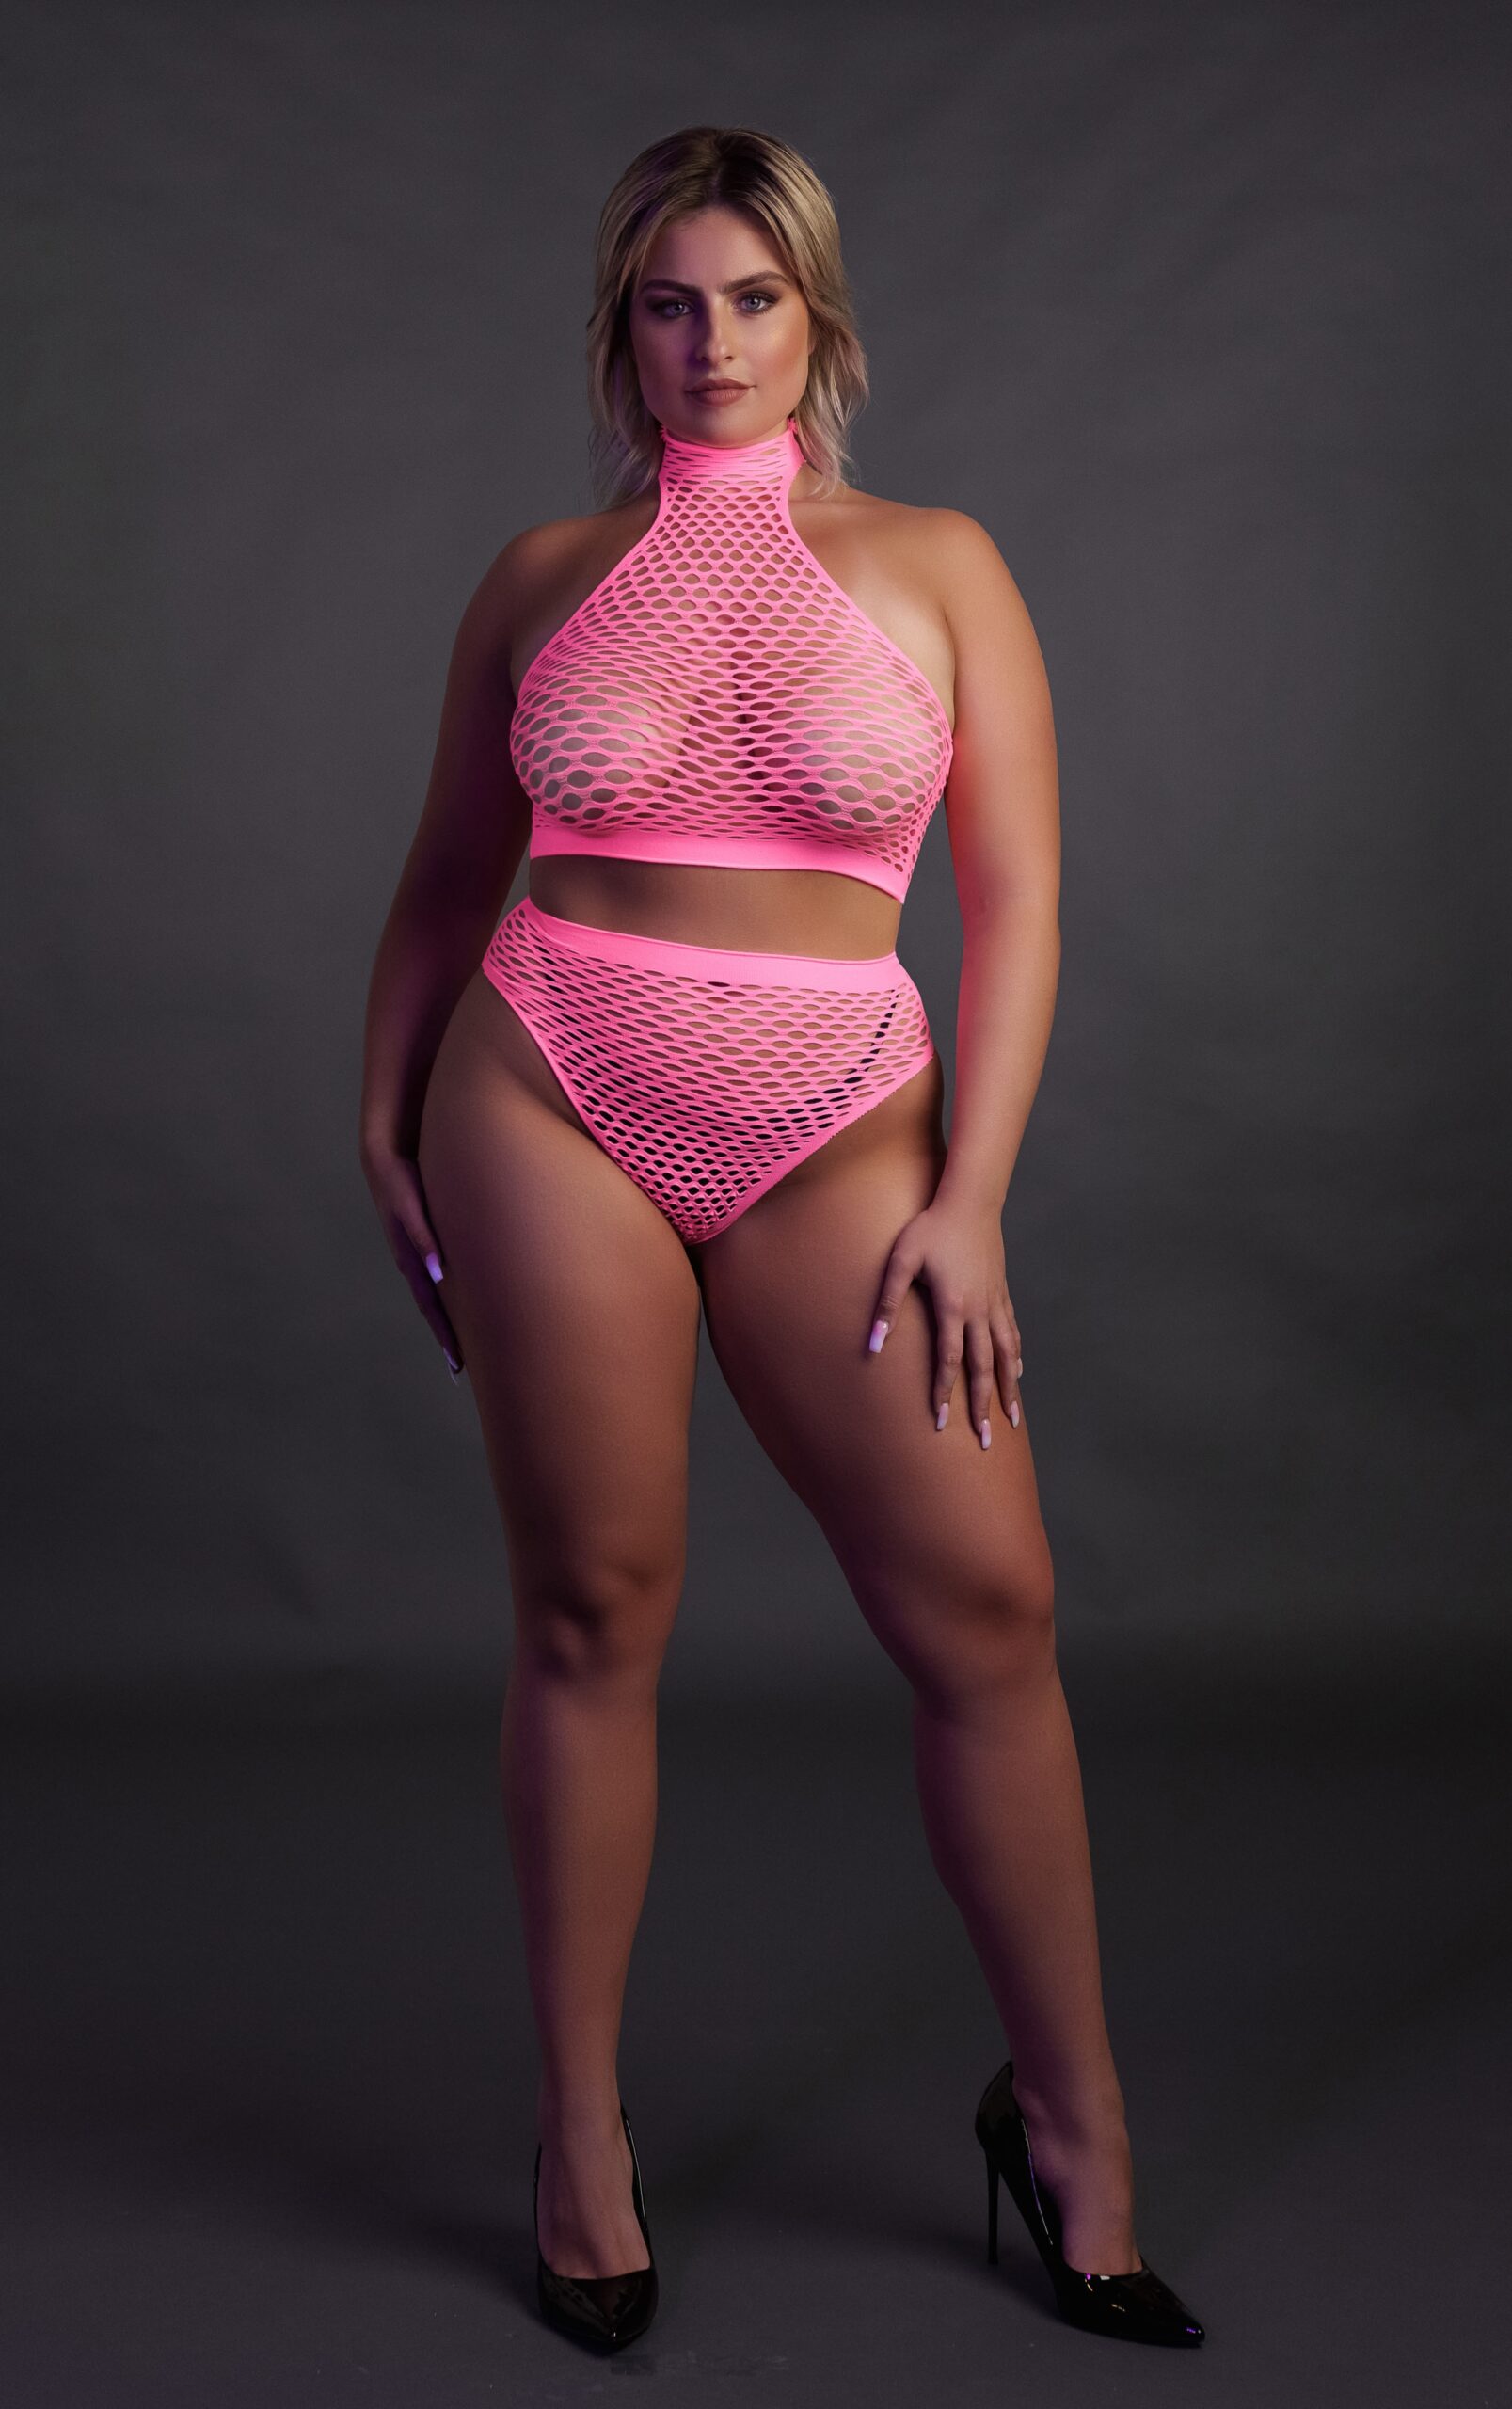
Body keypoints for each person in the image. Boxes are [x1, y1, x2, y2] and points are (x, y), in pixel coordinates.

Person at [358, 123, 1205, 2355]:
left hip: (845, 1121)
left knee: (989, 1611)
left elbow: (1018, 900)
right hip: (549, 1084)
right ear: (620, 329)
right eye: (670, 302)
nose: (712, 343)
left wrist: (973, 1198)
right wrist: (380, 1099)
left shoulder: (936, 561)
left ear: (817, 317)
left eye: (752, 299)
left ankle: (1074, 2124)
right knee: (592, 1607)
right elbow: (449, 869)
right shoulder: (541, 572)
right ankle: (580, 2142)